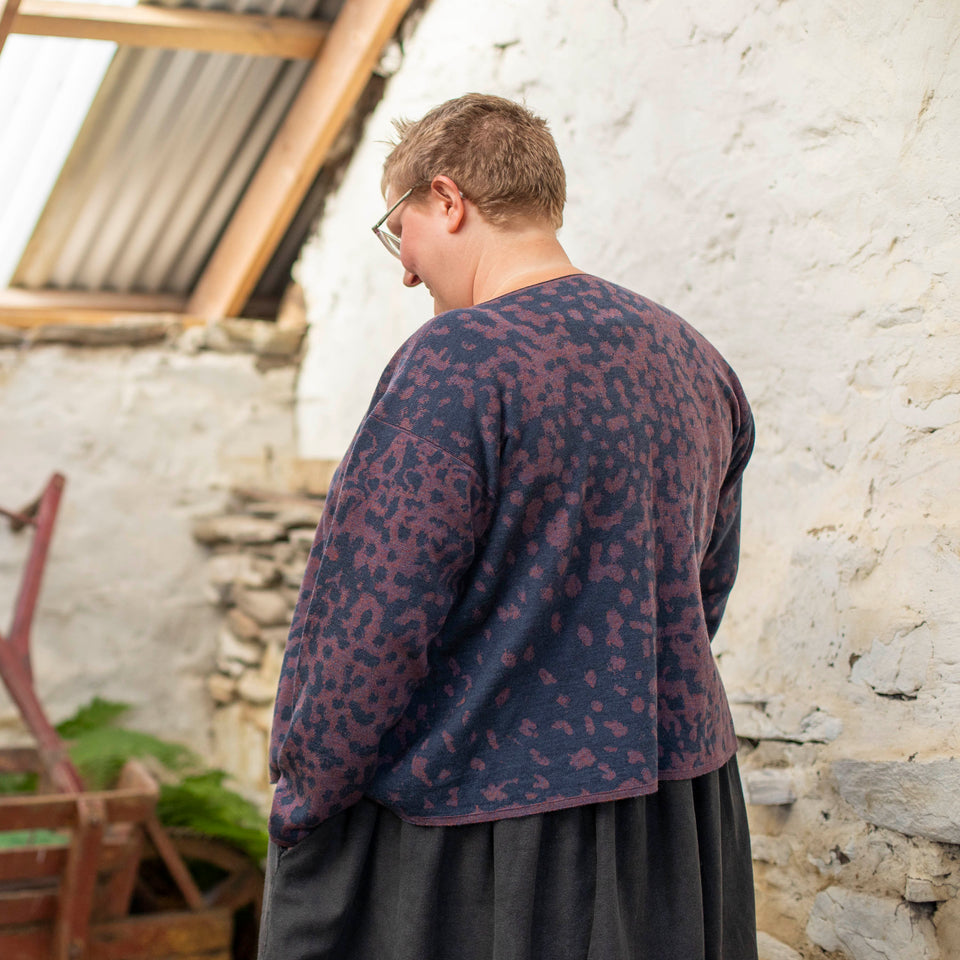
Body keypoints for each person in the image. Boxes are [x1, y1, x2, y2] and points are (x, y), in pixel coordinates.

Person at [259, 93, 757, 960]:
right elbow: (698, 592)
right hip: (680, 825)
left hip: (493, 844)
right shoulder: (695, 359)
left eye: (398, 229)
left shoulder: (459, 363)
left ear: (447, 201)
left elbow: (368, 626)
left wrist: (304, 796)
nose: (407, 270)